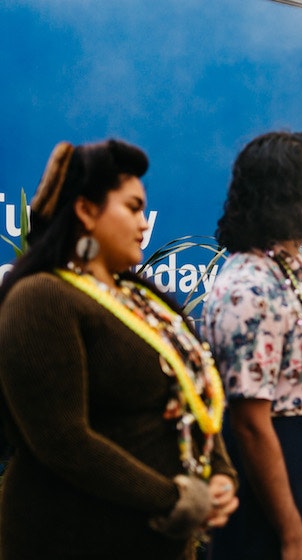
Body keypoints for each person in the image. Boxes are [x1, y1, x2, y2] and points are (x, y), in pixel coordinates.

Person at [0, 139, 238, 559]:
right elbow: (62, 439)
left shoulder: (143, 298)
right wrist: (173, 499)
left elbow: (193, 391)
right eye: (132, 208)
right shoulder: (41, 298)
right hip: (72, 540)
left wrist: (219, 473)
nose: (145, 224)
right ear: (86, 210)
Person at [202, 131, 302, 560]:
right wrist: (292, 534)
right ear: (286, 192)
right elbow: (251, 423)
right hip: (274, 493)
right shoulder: (250, 286)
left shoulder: (289, 269)